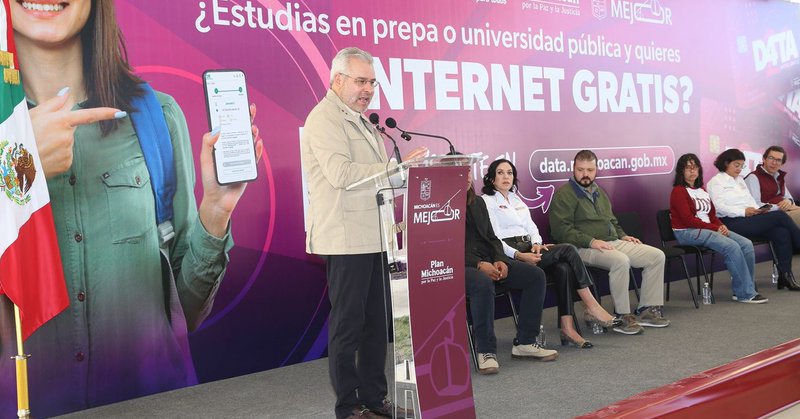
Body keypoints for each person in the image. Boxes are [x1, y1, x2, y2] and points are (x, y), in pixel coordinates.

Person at [1, 0, 263, 417]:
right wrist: (17, 164)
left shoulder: (156, 116)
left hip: (151, 402)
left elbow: (185, 312)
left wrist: (216, 209)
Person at [300, 47, 428, 419]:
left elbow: (379, 182)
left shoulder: (365, 122)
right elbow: (341, 174)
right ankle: (348, 406)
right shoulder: (324, 118)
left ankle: (374, 397)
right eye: (361, 81)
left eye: (372, 82)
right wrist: (394, 168)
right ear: (337, 80)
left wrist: (408, 176)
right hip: (346, 239)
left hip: (377, 236)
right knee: (348, 327)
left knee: (376, 325)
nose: (368, 89)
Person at [480, 159, 619, 349]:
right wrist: (519, 255)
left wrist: (537, 244)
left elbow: (532, 228)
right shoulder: (486, 201)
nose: (506, 177)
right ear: (491, 178)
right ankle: (592, 306)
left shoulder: (516, 199)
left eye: (510, 173)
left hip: (530, 248)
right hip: (509, 255)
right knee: (568, 249)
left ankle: (568, 329)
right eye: (500, 173)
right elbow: (494, 239)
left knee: (563, 268)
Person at [549, 150, 670, 335]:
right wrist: (591, 241)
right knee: (620, 260)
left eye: (590, 170)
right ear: (573, 169)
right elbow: (560, 231)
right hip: (581, 248)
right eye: (580, 170)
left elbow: (611, 220)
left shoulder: (599, 191)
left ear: (596, 170)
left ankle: (646, 310)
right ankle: (622, 315)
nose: (585, 174)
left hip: (611, 242)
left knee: (656, 256)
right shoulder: (563, 195)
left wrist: (622, 235)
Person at [465, 174, 558, 375]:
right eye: (458, 171)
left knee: (535, 276)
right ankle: (486, 351)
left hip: (488, 259)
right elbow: (443, 246)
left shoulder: (477, 202)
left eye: (468, 172)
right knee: (482, 283)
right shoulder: (439, 206)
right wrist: (478, 264)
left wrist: (500, 259)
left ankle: (525, 342)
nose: (465, 177)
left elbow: (491, 237)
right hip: (460, 266)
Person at [669, 154, 767, 303]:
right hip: (687, 232)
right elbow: (688, 220)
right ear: (681, 171)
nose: (692, 171)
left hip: (708, 229)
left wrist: (721, 225)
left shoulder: (701, 190)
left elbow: (712, 215)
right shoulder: (678, 191)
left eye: (695, 167)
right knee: (732, 246)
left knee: (746, 244)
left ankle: (744, 289)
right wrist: (715, 228)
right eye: (688, 168)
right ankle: (745, 293)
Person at [706, 148, 800, 291]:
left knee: (782, 232)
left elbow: (751, 201)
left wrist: (758, 209)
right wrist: (743, 211)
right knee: (780, 215)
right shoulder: (716, 182)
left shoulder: (739, 180)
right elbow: (718, 209)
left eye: (741, 165)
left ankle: (785, 276)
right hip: (729, 222)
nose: (739, 169)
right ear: (726, 163)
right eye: (736, 165)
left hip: (749, 219)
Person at [744, 145, 800, 226]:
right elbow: (755, 205)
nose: (774, 163)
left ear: (782, 163)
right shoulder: (753, 177)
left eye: (778, 160)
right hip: (768, 215)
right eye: (771, 158)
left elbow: (790, 198)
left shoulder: (779, 177)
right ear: (764, 159)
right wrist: (779, 207)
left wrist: (788, 201)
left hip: (784, 212)